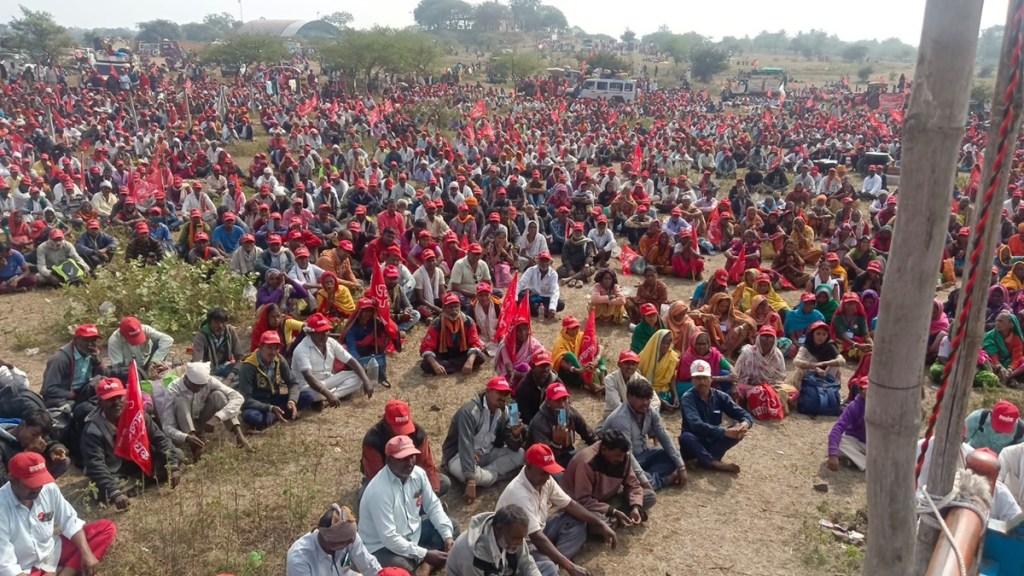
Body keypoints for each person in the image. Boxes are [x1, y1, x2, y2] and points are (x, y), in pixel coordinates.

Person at [494, 443, 618, 576]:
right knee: (547, 567)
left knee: (576, 520)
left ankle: (552, 560)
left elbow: (570, 505)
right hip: (518, 545)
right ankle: (552, 562)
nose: (547, 477)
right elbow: (536, 537)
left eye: (549, 472)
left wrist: (600, 523)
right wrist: (569, 566)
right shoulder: (518, 493)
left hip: (539, 532)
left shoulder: (545, 481)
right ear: (528, 466)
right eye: (543, 473)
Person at [0, 452, 116, 576]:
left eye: (40, 482)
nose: (37, 488)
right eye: (31, 484)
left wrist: (86, 552)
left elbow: (70, 521)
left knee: (106, 528)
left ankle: (66, 572)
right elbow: (6, 565)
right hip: (24, 567)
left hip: (52, 551)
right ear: (12, 480)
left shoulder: (48, 488)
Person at [358, 435, 456, 576]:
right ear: (388, 460)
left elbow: (433, 506)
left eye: (411, 457)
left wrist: (447, 537)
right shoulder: (379, 491)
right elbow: (389, 538)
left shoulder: (419, 474)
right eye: (402, 459)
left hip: (413, 533)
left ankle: (425, 566)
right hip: (382, 547)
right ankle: (425, 561)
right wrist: (425, 553)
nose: (409, 462)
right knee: (400, 570)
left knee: (452, 527)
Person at [80, 377, 182, 508]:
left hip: (141, 460)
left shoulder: (138, 415)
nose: (116, 402)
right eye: (110, 399)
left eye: (119, 397)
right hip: (116, 470)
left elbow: (160, 439)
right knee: (102, 491)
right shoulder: (92, 430)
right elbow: (96, 465)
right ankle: (139, 483)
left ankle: (138, 483)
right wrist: (114, 492)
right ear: (100, 402)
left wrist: (172, 465)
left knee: (177, 456)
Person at [441, 377, 525, 501]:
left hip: (487, 453)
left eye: (505, 394)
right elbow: (465, 443)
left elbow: (512, 446)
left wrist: (516, 435)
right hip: (460, 455)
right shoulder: (470, 411)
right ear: (488, 391)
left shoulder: (505, 412)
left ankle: (486, 475)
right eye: (499, 393)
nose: (503, 397)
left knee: (521, 454)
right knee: (466, 472)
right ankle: (491, 476)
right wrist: (470, 481)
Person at [562, 428, 657, 530]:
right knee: (597, 524)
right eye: (617, 456)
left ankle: (618, 517)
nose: (620, 459)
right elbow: (583, 500)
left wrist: (635, 507)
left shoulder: (624, 457)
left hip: (609, 499)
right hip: (584, 504)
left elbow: (633, 484)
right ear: (603, 450)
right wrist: (612, 511)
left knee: (649, 496)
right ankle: (613, 518)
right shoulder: (586, 462)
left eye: (622, 456)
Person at [602, 379, 686, 490]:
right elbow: (627, 455)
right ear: (629, 397)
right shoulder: (621, 419)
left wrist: (681, 466)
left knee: (672, 456)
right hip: (622, 460)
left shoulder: (649, 411)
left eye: (648, 399)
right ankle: (662, 480)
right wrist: (645, 481)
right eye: (641, 398)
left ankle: (646, 478)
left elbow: (663, 436)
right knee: (631, 474)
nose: (646, 403)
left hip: (644, 454)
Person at [160, 361, 251, 459]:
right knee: (180, 401)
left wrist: (217, 417)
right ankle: (195, 445)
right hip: (183, 427)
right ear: (186, 378)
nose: (199, 388)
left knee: (218, 396)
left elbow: (238, 398)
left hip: (201, 420)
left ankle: (239, 436)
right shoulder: (173, 389)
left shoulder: (209, 381)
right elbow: (167, 427)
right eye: (195, 385)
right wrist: (186, 437)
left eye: (202, 386)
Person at [361, 400, 450, 496]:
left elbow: (427, 467)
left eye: (405, 427)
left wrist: (432, 494)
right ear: (386, 424)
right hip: (386, 481)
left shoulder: (418, 434)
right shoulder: (373, 441)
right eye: (398, 429)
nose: (404, 434)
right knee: (366, 496)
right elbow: (377, 478)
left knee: (443, 482)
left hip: (411, 477)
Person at [679, 360, 753, 473]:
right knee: (686, 437)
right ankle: (714, 463)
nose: (702, 382)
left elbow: (744, 415)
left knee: (738, 429)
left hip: (714, 440)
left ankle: (703, 460)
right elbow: (696, 425)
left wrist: (744, 424)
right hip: (695, 442)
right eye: (698, 378)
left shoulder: (720, 396)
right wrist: (724, 431)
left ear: (711, 379)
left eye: (705, 378)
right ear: (692, 380)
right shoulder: (687, 398)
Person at [237, 331, 315, 429]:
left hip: (275, 398)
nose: (273, 352)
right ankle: (277, 414)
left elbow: (293, 383)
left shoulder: (279, 359)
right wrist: (269, 408)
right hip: (258, 403)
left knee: (309, 395)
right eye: (269, 348)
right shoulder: (248, 366)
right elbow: (245, 399)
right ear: (261, 347)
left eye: (276, 348)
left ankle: (276, 415)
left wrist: (292, 401)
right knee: (251, 416)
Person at [287, 503, 383, 576]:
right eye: (346, 542)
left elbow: (369, 565)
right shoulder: (299, 559)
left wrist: (383, 574)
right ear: (332, 543)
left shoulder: (349, 536)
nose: (352, 542)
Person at [445, 504, 542, 576]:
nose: (521, 543)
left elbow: (527, 564)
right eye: (517, 538)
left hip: (505, 571)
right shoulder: (472, 556)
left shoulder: (515, 534)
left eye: (522, 538)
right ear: (499, 529)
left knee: (548, 567)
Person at [41, 324, 112, 410]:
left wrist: (98, 362)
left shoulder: (92, 354)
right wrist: (73, 395)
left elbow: (104, 377)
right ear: (76, 340)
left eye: (93, 340)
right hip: (64, 396)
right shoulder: (60, 359)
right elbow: (49, 389)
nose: (90, 344)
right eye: (86, 340)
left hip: (84, 391)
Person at [526, 382, 598, 468]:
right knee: (561, 478)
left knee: (591, 462)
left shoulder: (570, 412)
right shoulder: (539, 423)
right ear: (548, 402)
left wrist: (601, 450)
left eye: (564, 399)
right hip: (546, 463)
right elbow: (545, 458)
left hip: (568, 454)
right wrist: (556, 443)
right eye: (557, 401)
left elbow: (589, 435)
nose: (563, 405)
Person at [420, 293, 486, 375]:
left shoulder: (468, 321)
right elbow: (427, 347)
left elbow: (475, 343)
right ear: (444, 308)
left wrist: (469, 361)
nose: (454, 310)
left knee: (480, 357)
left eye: (456, 306)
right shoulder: (436, 323)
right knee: (425, 364)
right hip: (443, 354)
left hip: (461, 352)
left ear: (460, 307)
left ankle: (449, 367)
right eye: (450, 307)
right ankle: (456, 366)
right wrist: (435, 365)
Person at [0, 410, 69, 485]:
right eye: (34, 434)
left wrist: (55, 449)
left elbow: (50, 443)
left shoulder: (37, 434)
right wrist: (28, 456)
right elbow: (2, 481)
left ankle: (38, 487)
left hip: (28, 474)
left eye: (43, 437)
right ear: (23, 425)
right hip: (10, 482)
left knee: (62, 462)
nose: (38, 440)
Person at [735, 326, 793, 415]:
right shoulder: (748, 352)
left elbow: (780, 377)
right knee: (738, 389)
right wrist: (756, 385)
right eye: (764, 337)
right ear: (758, 338)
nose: (766, 340)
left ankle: (758, 400)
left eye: (770, 337)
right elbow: (739, 376)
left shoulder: (777, 354)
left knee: (794, 392)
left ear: (775, 340)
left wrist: (767, 386)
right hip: (750, 386)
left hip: (772, 386)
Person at [107, 316, 174, 382]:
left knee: (159, 343)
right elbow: (118, 366)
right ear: (122, 334)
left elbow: (167, 340)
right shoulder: (114, 341)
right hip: (131, 368)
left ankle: (155, 373)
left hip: (148, 361)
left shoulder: (145, 329)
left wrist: (154, 362)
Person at [191, 307, 247, 383]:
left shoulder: (230, 331)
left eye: (223, 322)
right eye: (216, 322)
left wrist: (231, 376)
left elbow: (240, 357)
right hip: (209, 371)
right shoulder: (201, 336)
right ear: (209, 323)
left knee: (246, 369)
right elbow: (197, 362)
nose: (220, 326)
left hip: (226, 367)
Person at [551, 315, 605, 395]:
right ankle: (591, 385)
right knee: (570, 356)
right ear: (565, 329)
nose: (576, 330)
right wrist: (578, 370)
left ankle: (603, 383)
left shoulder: (581, 335)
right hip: (572, 369)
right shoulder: (560, 342)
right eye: (572, 328)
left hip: (585, 362)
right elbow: (560, 361)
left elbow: (600, 347)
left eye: (577, 327)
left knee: (598, 352)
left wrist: (595, 361)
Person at [827, 382, 868, 471]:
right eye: (862, 389)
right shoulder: (854, 406)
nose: (865, 391)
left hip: (877, 445)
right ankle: (866, 463)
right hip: (856, 442)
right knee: (837, 441)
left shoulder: (884, 406)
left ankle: (857, 460)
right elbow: (838, 427)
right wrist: (833, 454)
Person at [495, 315, 545, 387]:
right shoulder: (505, 344)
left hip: (526, 372)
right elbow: (509, 370)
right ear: (513, 331)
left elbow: (543, 352)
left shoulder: (530, 341)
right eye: (519, 330)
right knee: (524, 366)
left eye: (525, 329)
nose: (523, 333)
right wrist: (526, 374)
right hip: (510, 375)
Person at [637, 329, 681, 411]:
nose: (665, 346)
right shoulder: (644, 356)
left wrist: (675, 396)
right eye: (662, 343)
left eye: (668, 344)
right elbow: (639, 381)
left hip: (663, 389)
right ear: (656, 342)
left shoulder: (671, 357)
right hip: (645, 389)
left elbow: (671, 378)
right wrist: (661, 401)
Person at [514, 351, 560, 427]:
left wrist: (561, 424)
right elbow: (525, 415)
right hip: (532, 423)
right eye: (542, 365)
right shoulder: (523, 387)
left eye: (547, 365)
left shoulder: (556, 382)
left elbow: (565, 406)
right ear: (533, 367)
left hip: (552, 422)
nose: (545, 369)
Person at [602, 351, 644, 422]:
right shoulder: (610, 379)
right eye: (626, 363)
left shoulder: (640, 380)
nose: (630, 367)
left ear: (637, 366)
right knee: (599, 431)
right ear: (619, 364)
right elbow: (615, 402)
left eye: (633, 364)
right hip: (613, 415)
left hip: (637, 418)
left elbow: (655, 400)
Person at [518, 252, 563, 318]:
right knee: (521, 296)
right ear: (537, 261)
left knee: (561, 304)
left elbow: (555, 291)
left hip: (546, 298)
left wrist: (552, 307)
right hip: (533, 297)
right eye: (542, 261)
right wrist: (515, 298)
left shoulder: (553, 274)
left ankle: (541, 310)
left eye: (546, 261)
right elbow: (521, 284)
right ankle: (543, 311)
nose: (544, 263)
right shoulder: (531, 270)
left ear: (550, 262)